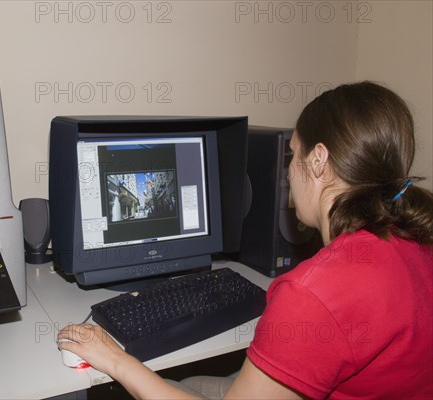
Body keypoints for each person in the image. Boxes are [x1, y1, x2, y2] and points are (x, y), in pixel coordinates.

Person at [58, 81, 433, 399]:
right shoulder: (415, 240)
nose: (287, 168)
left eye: (292, 153)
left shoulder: (314, 293)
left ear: (319, 161)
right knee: (189, 382)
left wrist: (113, 358)